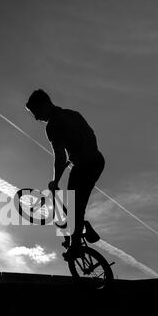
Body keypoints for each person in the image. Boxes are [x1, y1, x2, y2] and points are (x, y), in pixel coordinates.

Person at [25, 89, 105, 257]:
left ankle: (75, 245)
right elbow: (91, 135)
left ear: (44, 105)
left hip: (84, 166)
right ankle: (82, 228)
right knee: (76, 205)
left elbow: (59, 158)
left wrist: (55, 181)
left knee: (74, 206)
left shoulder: (52, 125)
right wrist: (81, 154)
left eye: (36, 112)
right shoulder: (73, 114)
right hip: (97, 160)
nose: (36, 118)